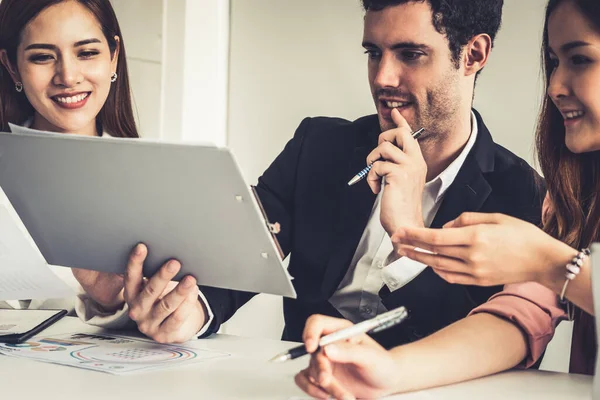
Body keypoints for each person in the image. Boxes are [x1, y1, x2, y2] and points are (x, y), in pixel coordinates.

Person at [76, 0, 548, 352]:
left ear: (473, 55)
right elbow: (244, 247)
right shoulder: (319, 146)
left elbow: (484, 335)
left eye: (410, 54)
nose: (383, 78)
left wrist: (411, 238)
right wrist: (191, 311)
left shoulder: (522, 195)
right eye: (373, 52)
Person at [295, 0, 598, 398]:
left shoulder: (525, 193)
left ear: (474, 54)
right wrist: (391, 371)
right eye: (554, 61)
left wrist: (551, 264)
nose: (555, 86)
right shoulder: (575, 201)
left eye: (579, 59)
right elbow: (517, 316)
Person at [0, 0, 207, 343]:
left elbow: (181, 319)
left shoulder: (163, 183)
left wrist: (113, 300)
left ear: (113, 55)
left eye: (86, 53)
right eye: (42, 56)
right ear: (11, 67)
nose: (67, 76)